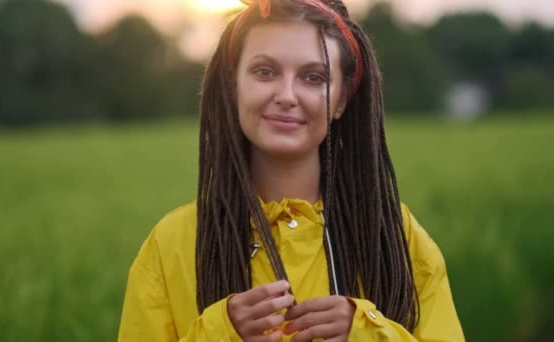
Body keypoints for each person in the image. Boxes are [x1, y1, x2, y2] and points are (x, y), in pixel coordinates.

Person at [118, 0, 464, 340]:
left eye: (313, 77)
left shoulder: (395, 237)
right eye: (265, 72)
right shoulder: (172, 246)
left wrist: (367, 333)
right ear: (233, 85)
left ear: (342, 98)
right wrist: (218, 333)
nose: (286, 95)